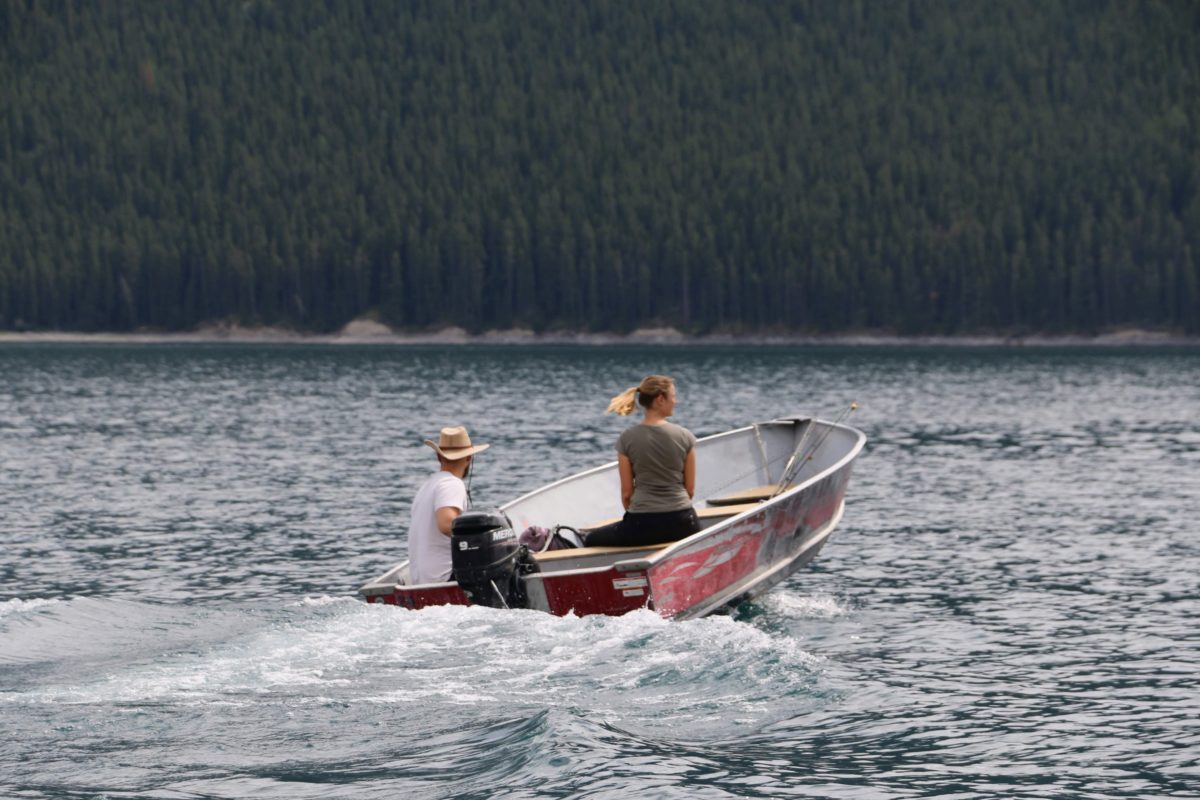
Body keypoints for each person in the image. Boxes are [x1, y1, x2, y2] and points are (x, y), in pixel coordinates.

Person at [587, 375, 700, 547]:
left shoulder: (627, 439)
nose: (676, 402)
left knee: (591, 539)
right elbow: (690, 490)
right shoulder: (685, 436)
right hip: (684, 523)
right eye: (673, 396)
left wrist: (640, 518)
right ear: (660, 399)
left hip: (642, 524)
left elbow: (626, 494)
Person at [407, 425, 489, 584]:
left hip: (420, 580)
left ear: (439, 457)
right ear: (469, 458)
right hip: (443, 577)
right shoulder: (451, 483)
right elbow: (446, 524)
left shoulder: (428, 486)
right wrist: (481, 540)